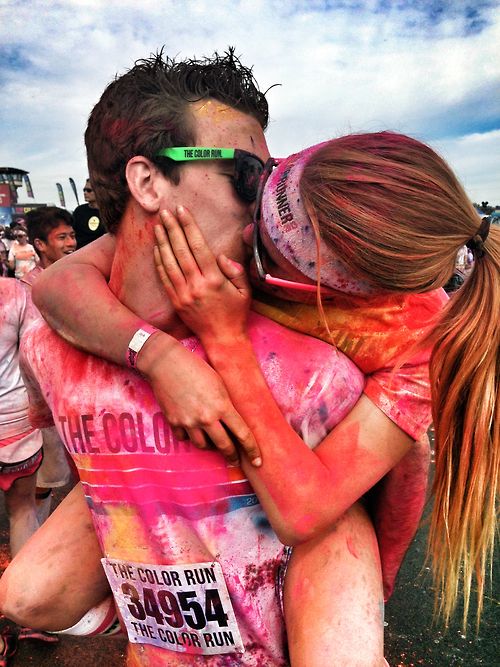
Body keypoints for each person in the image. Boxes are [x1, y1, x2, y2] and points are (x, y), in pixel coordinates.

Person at [2, 50, 391, 667]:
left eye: (271, 176)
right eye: (247, 175)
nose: (267, 201)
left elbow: (381, 499)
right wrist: (151, 354)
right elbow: (93, 492)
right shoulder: (48, 346)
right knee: (23, 594)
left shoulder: (318, 367)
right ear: (147, 182)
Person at [0, 277, 47, 662]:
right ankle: (28, 614)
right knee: (22, 511)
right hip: (15, 424)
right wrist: (41, 411)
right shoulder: (15, 292)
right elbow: (33, 357)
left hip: (16, 423)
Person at [22, 206, 77, 522]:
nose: (70, 242)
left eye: (71, 235)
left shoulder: (80, 275)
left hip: (72, 395)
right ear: (40, 244)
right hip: (47, 400)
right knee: (47, 477)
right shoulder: (29, 288)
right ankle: (34, 530)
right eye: (61, 237)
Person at [72, 178, 105, 248]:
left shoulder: (108, 212)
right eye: (84, 190)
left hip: (101, 252)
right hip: (80, 252)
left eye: (89, 190)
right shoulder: (79, 210)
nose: (85, 193)